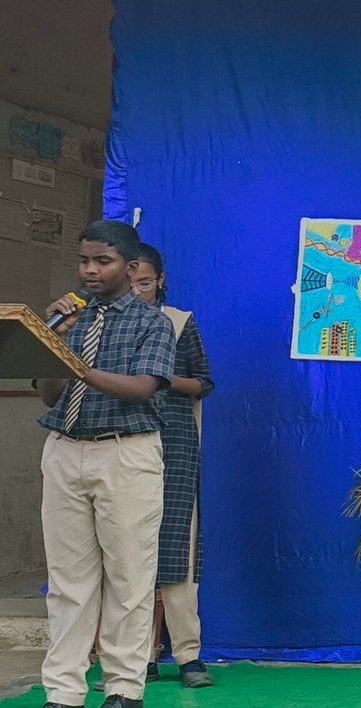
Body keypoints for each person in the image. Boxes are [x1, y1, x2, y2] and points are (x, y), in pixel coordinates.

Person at [32, 220, 176, 708]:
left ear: (131, 268)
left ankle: (123, 689)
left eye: (103, 261)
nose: (89, 270)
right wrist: (54, 342)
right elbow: (50, 394)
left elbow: (142, 388)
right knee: (68, 582)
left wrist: (79, 366)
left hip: (125, 453)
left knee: (128, 579)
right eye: (83, 261)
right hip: (65, 448)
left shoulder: (151, 322)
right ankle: (63, 692)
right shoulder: (70, 320)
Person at [129, 244, 215, 689]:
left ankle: (188, 656)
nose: (137, 292)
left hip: (176, 446)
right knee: (129, 551)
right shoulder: (109, 326)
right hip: (125, 445)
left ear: (160, 280)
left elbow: (204, 382)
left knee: (178, 548)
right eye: (129, 284)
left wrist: (163, 379)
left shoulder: (180, 322)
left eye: (144, 283)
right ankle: (137, 658)